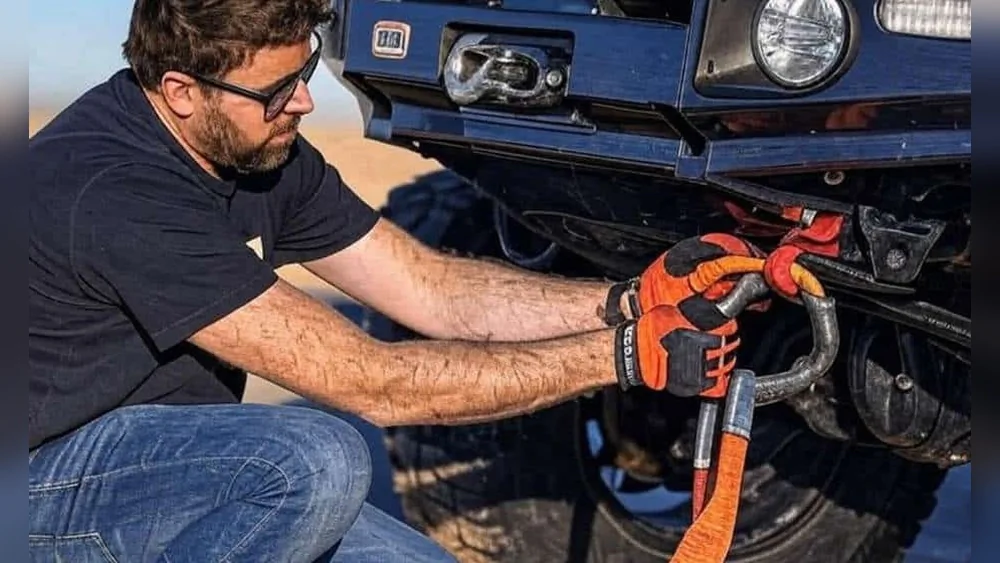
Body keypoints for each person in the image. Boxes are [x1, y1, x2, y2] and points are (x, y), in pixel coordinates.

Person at [28, 0, 761, 561]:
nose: (303, 102)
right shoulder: (115, 192)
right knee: (315, 460)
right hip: (39, 486)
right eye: (278, 90)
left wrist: (629, 301)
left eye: (306, 73)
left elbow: (430, 288)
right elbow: (373, 384)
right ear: (182, 91)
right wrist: (624, 357)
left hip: (182, 466)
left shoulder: (261, 151)